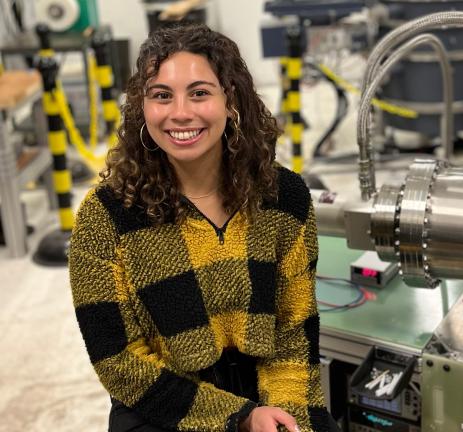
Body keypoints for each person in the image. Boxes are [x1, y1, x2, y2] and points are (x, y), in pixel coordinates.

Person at [68, 23, 330, 432]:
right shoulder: (105, 217)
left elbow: (294, 331)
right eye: (161, 95)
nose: (180, 113)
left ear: (232, 101)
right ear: (143, 107)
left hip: (267, 392)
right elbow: (118, 361)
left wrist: (288, 417)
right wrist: (239, 419)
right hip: (159, 401)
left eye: (200, 92)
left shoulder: (286, 199)